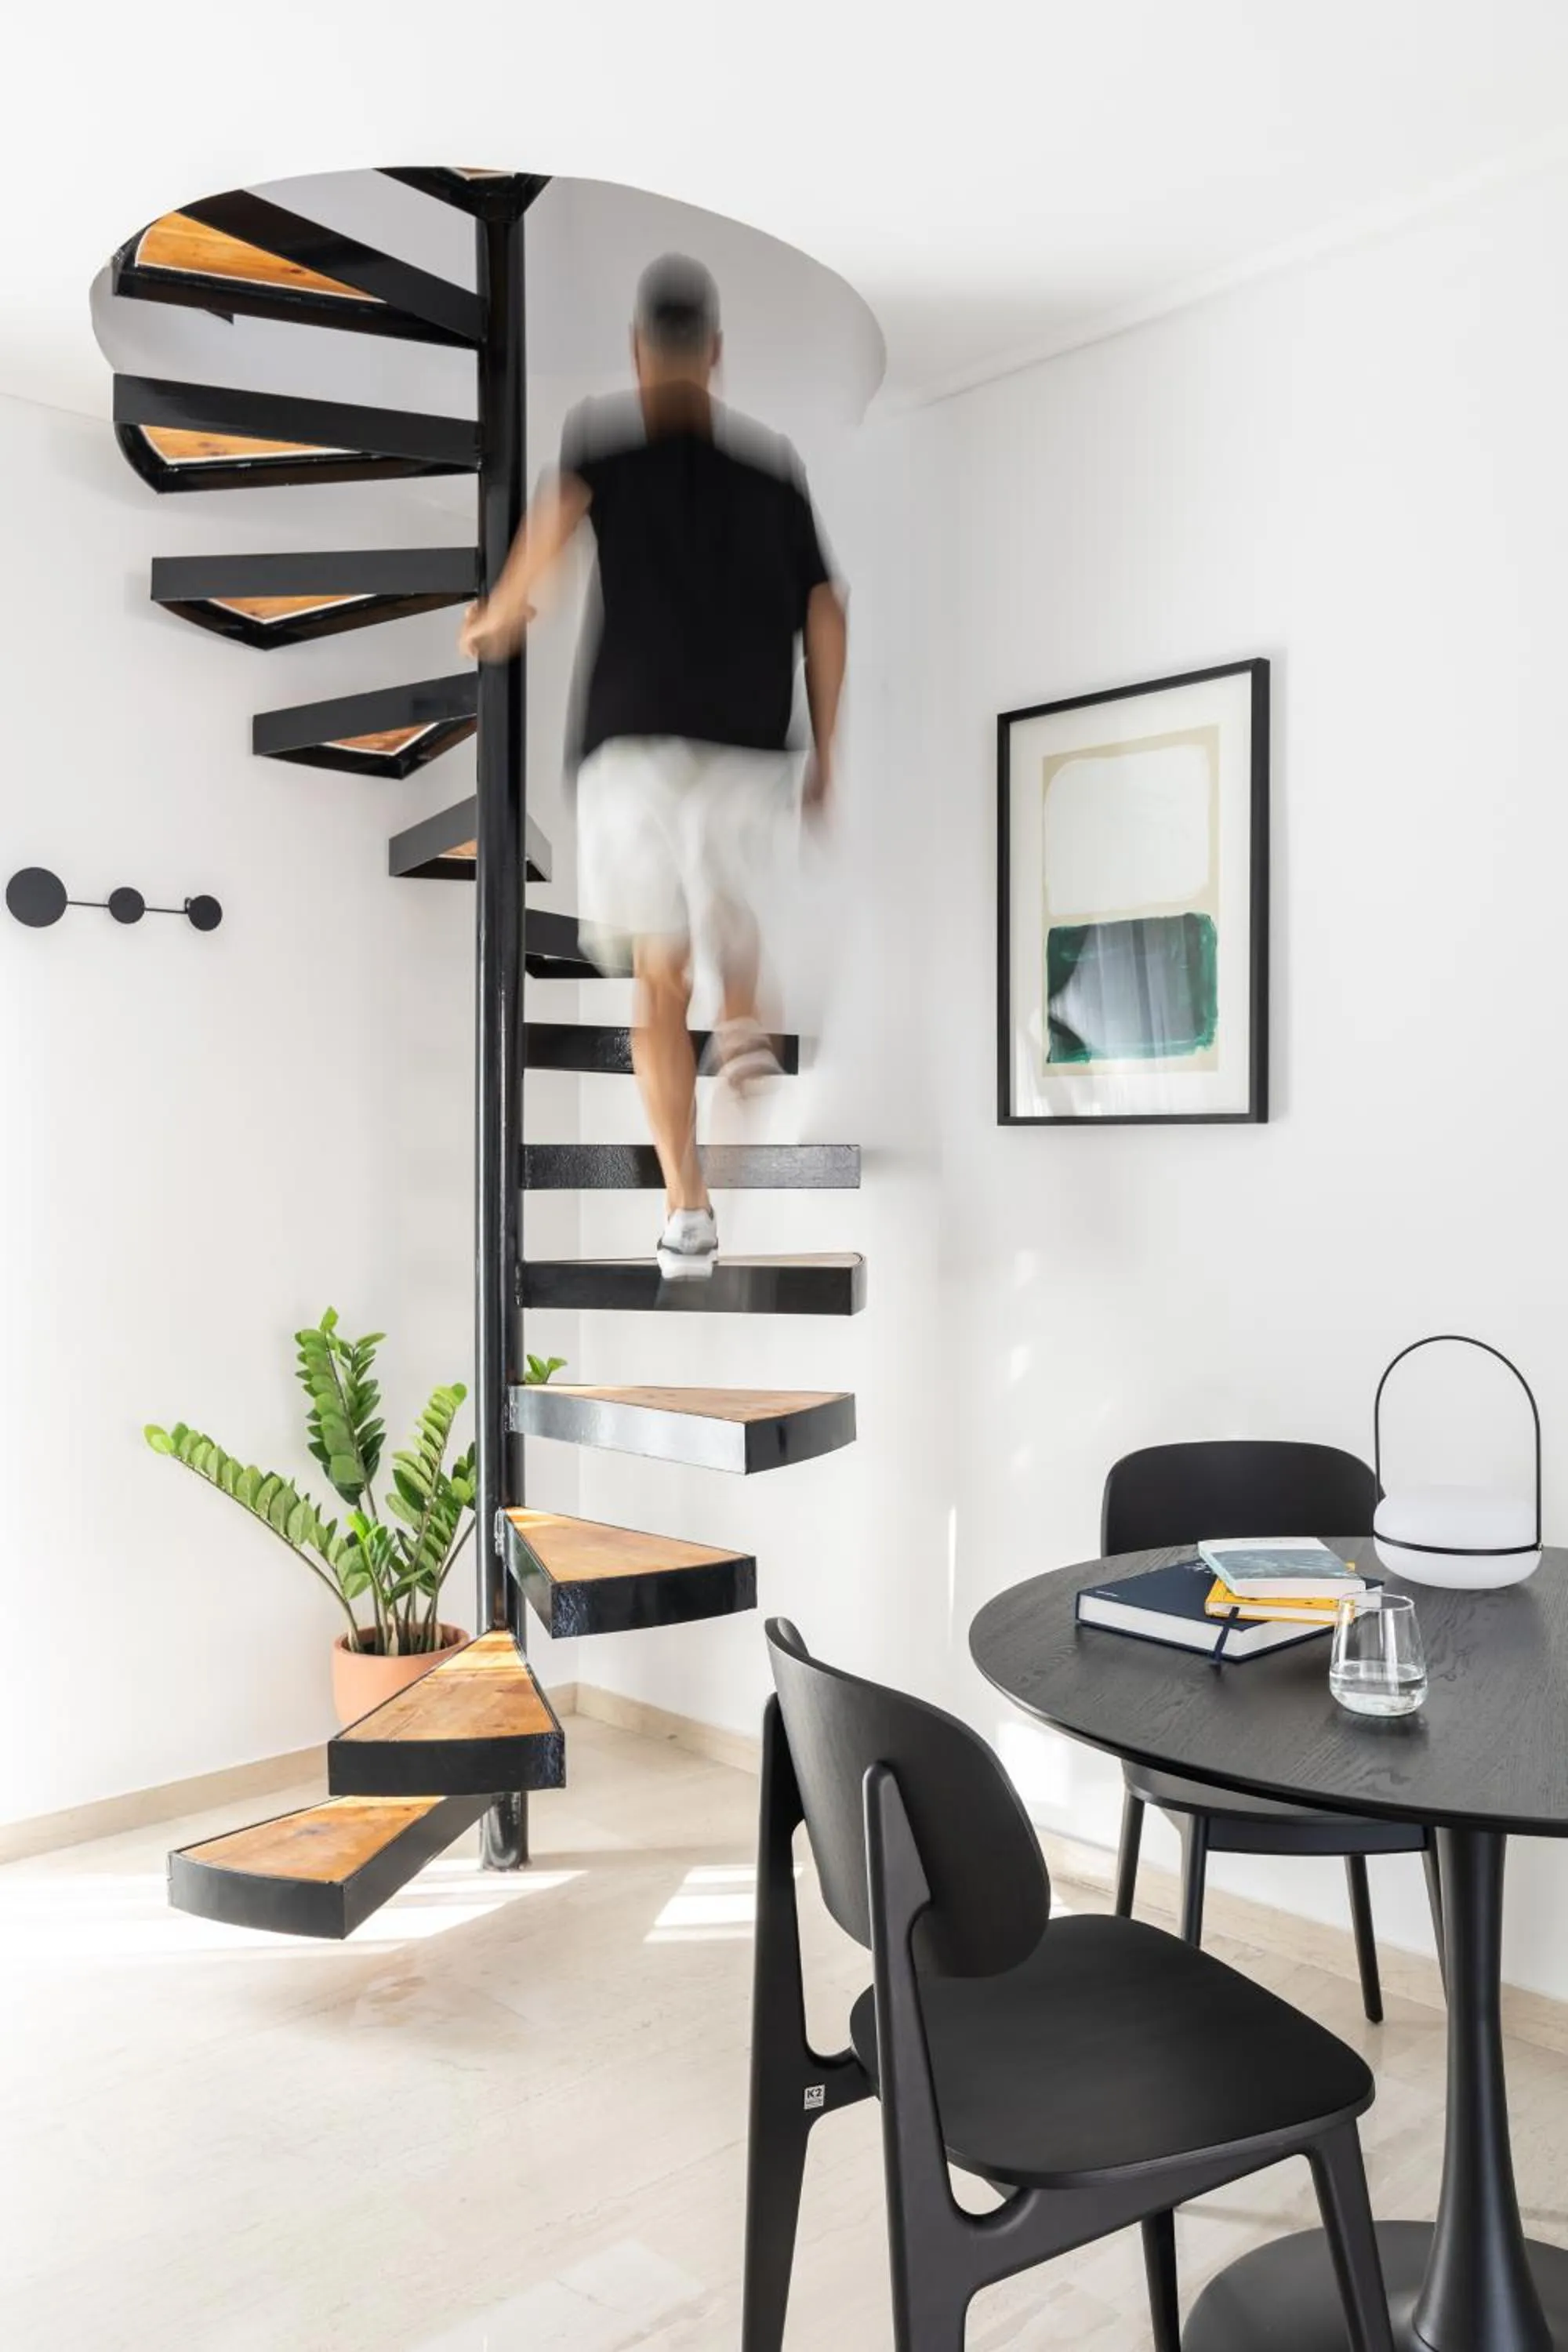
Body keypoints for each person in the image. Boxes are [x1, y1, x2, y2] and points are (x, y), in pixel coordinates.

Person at [459, 255, 847, 1279]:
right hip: (748, 742)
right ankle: (747, 1017)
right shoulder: (774, 475)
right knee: (732, 908)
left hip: (632, 745)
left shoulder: (604, 443)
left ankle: (687, 1208)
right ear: (714, 354)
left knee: (658, 983)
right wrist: (828, 751)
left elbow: (548, 534)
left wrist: (500, 614)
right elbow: (825, 612)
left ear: (639, 353)